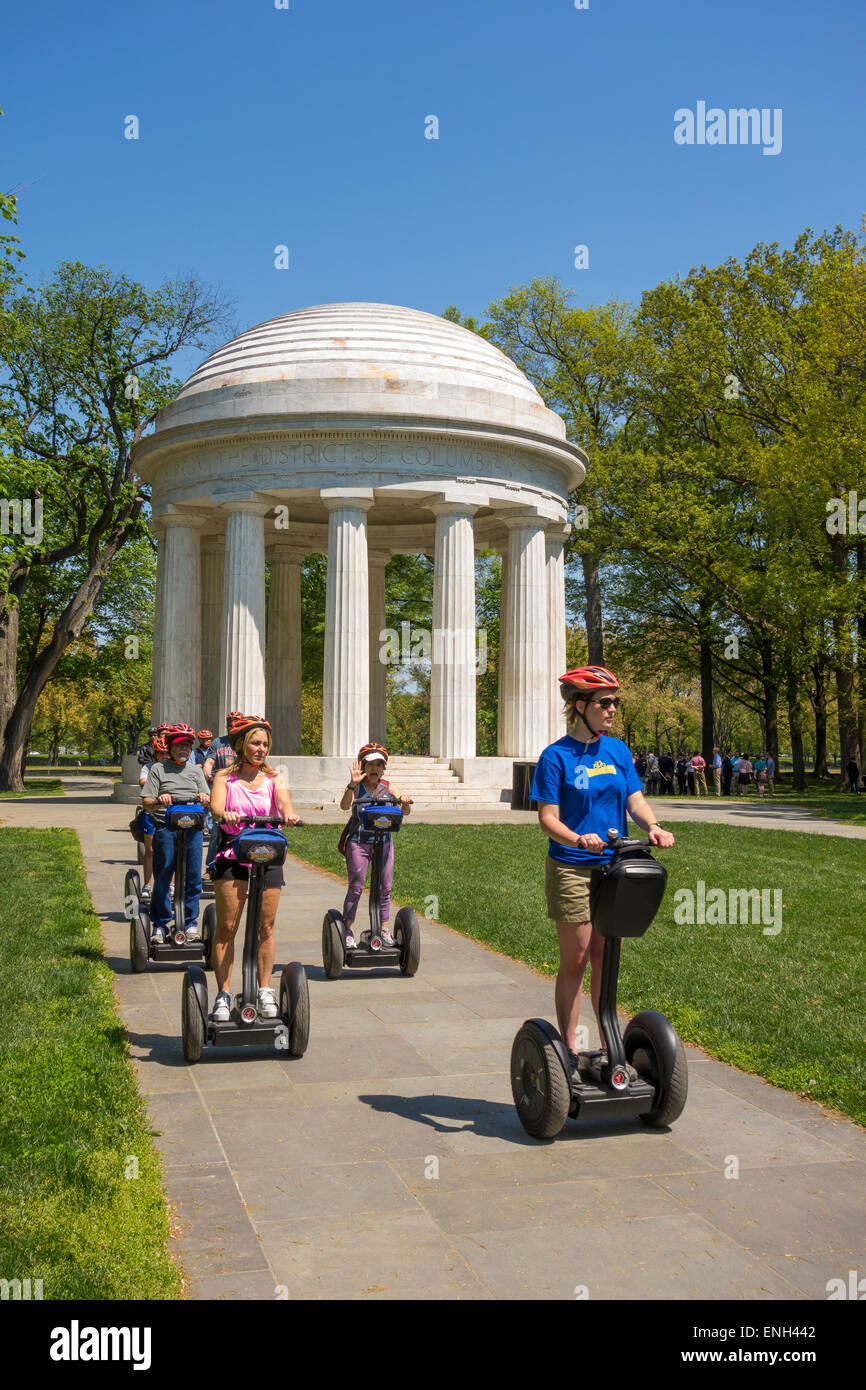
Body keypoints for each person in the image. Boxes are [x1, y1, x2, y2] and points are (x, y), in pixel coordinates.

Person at [529, 666, 675, 1071]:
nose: (612, 709)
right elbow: (547, 818)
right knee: (575, 959)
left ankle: (611, 1044)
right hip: (573, 867)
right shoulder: (555, 756)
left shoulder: (618, 751)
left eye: (615, 702)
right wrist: (577, 838)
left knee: (606, 955)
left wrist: (654, 826)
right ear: (580, 706)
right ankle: (569, 1051)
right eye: (604, 702)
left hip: (615, 869)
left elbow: (636, 801)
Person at [208, 715, 299, 1022]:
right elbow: (216, 806)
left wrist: (289, 814)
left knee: (266, 928)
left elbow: (284, 803)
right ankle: (222, 993)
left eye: (264, 744)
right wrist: (226, 814)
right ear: (241, 745)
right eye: (255, 743)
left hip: (267, 855)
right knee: (227, 928)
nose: (261, 749)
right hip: (233, 856)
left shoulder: (275, 778)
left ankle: (263, 989)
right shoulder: (224, 777)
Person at [141, 724, 210, 944]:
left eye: (188, 745)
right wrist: (159, 799)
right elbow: (147, 801)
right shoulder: (158, 770)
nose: (184, 749)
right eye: (179, 745)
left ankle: (190, 923)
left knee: (192, 877)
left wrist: (203, 795)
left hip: (192, 829)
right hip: (166, 827)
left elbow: (207, 796)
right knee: (163, 876)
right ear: (170, 747)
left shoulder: (195, 771)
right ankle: (160, 924)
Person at [338, 743, 412, 949]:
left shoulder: (389, 787)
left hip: (384, 842)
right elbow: (345, 806)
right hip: (359, 843)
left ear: (383, 768)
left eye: (379, 764)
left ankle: (384, 929)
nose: (375, 769)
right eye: (370, 764)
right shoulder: (357, 785)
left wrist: (404, 802)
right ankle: (348, 930)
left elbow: (404, 812)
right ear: (363, 766)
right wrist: (352, 785)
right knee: (356, 887)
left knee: (385, 887)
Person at [202, 712, 245, 879]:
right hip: (220, 790)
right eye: (229, 722)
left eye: (235, 721)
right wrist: (206, 768)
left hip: (240, 791)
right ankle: (212, 868)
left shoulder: (245, 742)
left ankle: (241, 865)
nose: (232, 724)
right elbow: (210, 761)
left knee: (241, 829)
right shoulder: (218, 742)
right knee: (215, 831)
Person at [137, 734, 168, 902]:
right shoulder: (148, 767)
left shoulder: (172, 768)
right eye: (160, 753)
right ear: (155, 754)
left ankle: (170, 884)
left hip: (169, 813)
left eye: (166, 753)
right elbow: (142, 781)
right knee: (150, 850)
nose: (163, 757)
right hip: (151, 813)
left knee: (172, 851)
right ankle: (147, 884)